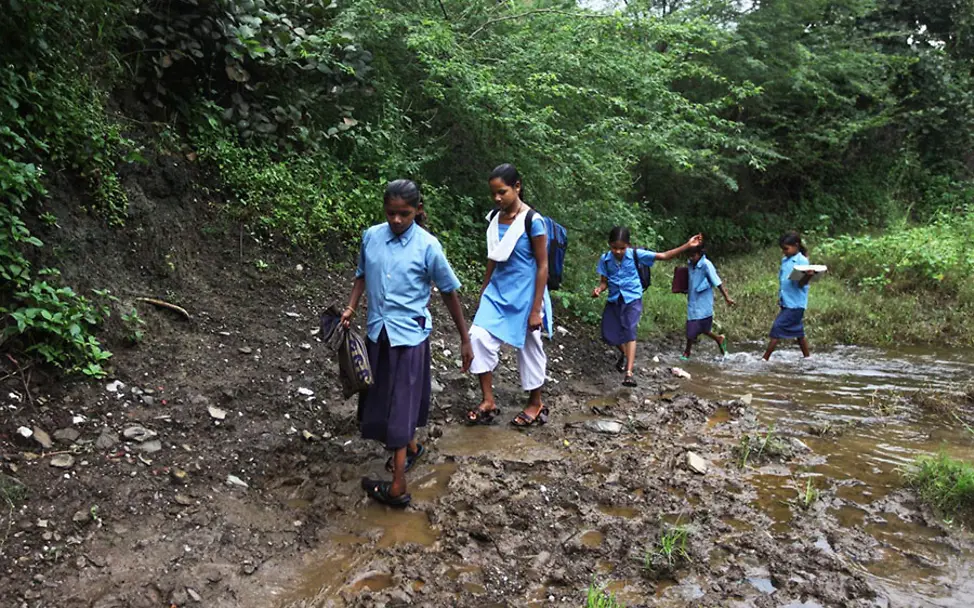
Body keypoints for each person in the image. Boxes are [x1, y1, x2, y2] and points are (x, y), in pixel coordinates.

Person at [341, 179, 473, 508]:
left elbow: (448, 291)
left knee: (400, 407)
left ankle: (398, 486)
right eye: (391, 214)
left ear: (418, 211)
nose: (397, 220)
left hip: (409, 339)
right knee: (381, 399)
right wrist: (351, 306)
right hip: (378, 334)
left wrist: (464, 337)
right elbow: (361, 274)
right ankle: (411, 449)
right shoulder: (372, 237)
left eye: (405, 214)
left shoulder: (428, 247)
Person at [466, 164, 553, 428]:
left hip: (526, 294)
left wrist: (536, 309)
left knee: (529, 347)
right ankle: (488, 400)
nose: (497, 198)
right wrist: (484, 289)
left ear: (517, 187)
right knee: (478, 337)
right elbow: (493, 257)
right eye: (493, 193)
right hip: (498, 290)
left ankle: (535, 402)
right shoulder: (494, 219)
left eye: (502, 192)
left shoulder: (533, 222)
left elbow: (542, 266)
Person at [591, 226, 702, 386]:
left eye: (622, 248)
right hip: (615, 299)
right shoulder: (605, 259)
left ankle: (628, 373)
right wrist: (599, 290)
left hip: (633, 298)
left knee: (630, 330)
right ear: (609, 245)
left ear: (628, 246)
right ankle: (626, 355)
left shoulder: (636, 255)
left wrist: (687, 245)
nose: (618, 252)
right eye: (614, 248)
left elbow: (663, 256)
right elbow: (604, 282)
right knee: (608, 334)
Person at [763, 230, 815, 361]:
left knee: (777, 328)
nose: (784, 252)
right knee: (799, 332)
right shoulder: (785, 260)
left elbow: (802, 284)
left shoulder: (802, 261)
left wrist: (808, 276)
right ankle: (807, 357)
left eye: (786, 248)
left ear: (796, 245)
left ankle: (765, 359)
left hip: (795, 303)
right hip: (787, 302)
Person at [681, 245, 735, 360]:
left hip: (703, 301)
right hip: (693, 300)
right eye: (689, 256)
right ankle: (718, 338)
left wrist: (727, 297)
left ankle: (687, 352)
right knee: (701, 328)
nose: (691, 258)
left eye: (693, 256)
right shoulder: (691, 264)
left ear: (699, 254)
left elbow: (717, 282)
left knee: (692, 327)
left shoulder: (706, 264)